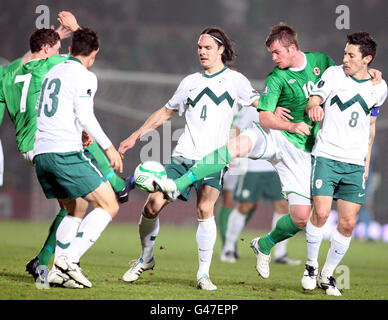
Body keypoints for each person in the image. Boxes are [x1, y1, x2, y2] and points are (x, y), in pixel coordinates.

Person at [118, 26, 260, 291]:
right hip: (182, 156)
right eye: (199, 47)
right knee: (151, 206)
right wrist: (136, 135)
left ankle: (203, 274)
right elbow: (165, 112)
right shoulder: (190, 82)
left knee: (205, 209)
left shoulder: (235, 81)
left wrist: (290, 112)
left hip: (213, 159)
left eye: (207, 47)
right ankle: (146, 259)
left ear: (221, 50)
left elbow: (260, 104)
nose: (202, 52)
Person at [0, 12, 134, 284]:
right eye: (56, 49)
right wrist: (75, 28)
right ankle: (116, 186)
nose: (59, 52)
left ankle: (49, 265)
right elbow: (85, 50)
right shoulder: (54, 65)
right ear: (48, 51)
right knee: (106, 201)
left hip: (31, 147)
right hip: (53, 144)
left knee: (75, 206)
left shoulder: (10, 73)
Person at [33, 27, 123, 289]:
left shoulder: (53, 71)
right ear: (94, 53)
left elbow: (52, 109)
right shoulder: (86, 76)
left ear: (69, 49)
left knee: (75, 208)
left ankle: (58, 274)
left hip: (42, 154)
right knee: (109, 205)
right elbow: (85, 114)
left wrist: (79, 132)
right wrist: (108, 148)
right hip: (64, 152)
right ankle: (69, 260)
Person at [301, 32, 386, 296]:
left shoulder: (379, 87)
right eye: (345, 53)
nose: (345, 59)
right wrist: (314, 107)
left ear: (367, 59)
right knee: (323, 213)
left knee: (348, 223)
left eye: (351, 55)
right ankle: (311, 267)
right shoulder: (334, 75)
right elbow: (314, 98)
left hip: (355, 163)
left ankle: (327, 275)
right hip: (326, 155)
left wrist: (366, 164)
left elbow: (370, 127)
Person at [220, 107, 300, 266]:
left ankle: (280, 253)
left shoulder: (288, 106)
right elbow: (235, 128)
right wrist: (233, 153)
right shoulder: (253, 107)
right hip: (253, 166)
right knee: (245, 206)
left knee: (283, 205)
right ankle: (228, 248)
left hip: (277, 166)